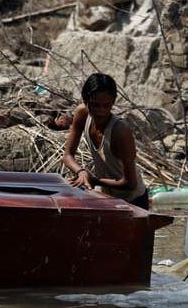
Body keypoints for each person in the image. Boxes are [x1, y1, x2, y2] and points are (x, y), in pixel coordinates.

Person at [62, 73, 148, 209]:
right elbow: (67, 156)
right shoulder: (82, 114)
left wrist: (95, 180)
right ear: (85, 101)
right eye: (95, 105)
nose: (100, 111)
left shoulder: (120, 131)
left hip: (133, 200)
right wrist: (81, 172)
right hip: (107, 196)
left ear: (113, 102)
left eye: (106, 105)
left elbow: (130, 183)